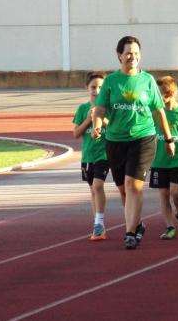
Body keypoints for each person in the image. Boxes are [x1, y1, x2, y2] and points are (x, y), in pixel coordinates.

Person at [92, 36, 175, 250]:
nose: (132, 57)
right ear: (119, 55)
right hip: (115, 140)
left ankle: (130, 233)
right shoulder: (111, 81)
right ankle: (137, 224)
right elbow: (100, 109)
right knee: (123, 190)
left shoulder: (147, 80)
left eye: (136, 53)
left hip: (143, 137)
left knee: (133, 185)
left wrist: (168, 139)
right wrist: (98, 125)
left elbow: (159, 111)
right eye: (128, 53)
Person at [149, 76, 178, 239]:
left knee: (175, 192)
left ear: (169, 94)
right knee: (163, 193)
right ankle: (170, 226)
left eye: (160, 94)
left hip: (176, 158)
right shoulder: (154, 113)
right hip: (158, 160)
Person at [73, 71, 114, 241]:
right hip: (88, 156)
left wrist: (101, 119)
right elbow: (76, 133)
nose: (97, 91)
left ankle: (99, 222)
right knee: (93, 190)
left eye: (100, 87)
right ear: (87, 88)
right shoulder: (82, 109)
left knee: (98, 186)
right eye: (93, 87)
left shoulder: (108, 108)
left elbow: (114, 128)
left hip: (104, 154)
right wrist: (89, 120)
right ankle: (98, 223)